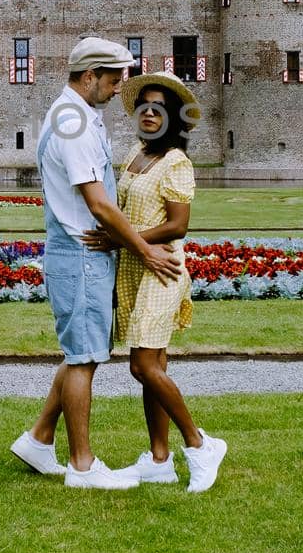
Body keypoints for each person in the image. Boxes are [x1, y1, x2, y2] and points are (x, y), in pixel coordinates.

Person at [11, 37, 184, 490]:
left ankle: (39, 439)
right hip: (81, 254)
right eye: (111, 81)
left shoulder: (73, 116)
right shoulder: (75, 126)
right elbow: (101, 206)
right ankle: (83, 466)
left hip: (80, 254)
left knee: (78, 354)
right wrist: (145, 251)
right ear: (89, 77)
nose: (116, 90)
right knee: (84, 359)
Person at [84, 71, 227, 493]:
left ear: (173, 118)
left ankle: (200, 445)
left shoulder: (176, 162)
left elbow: (178, 226)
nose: (149, 111)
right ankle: (159, 459)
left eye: (159, 107)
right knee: (154, 367)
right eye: (144, 104)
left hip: (162, 267)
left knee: (142, 365)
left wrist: (121, 238)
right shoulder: (135, 154)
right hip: (133, 267)